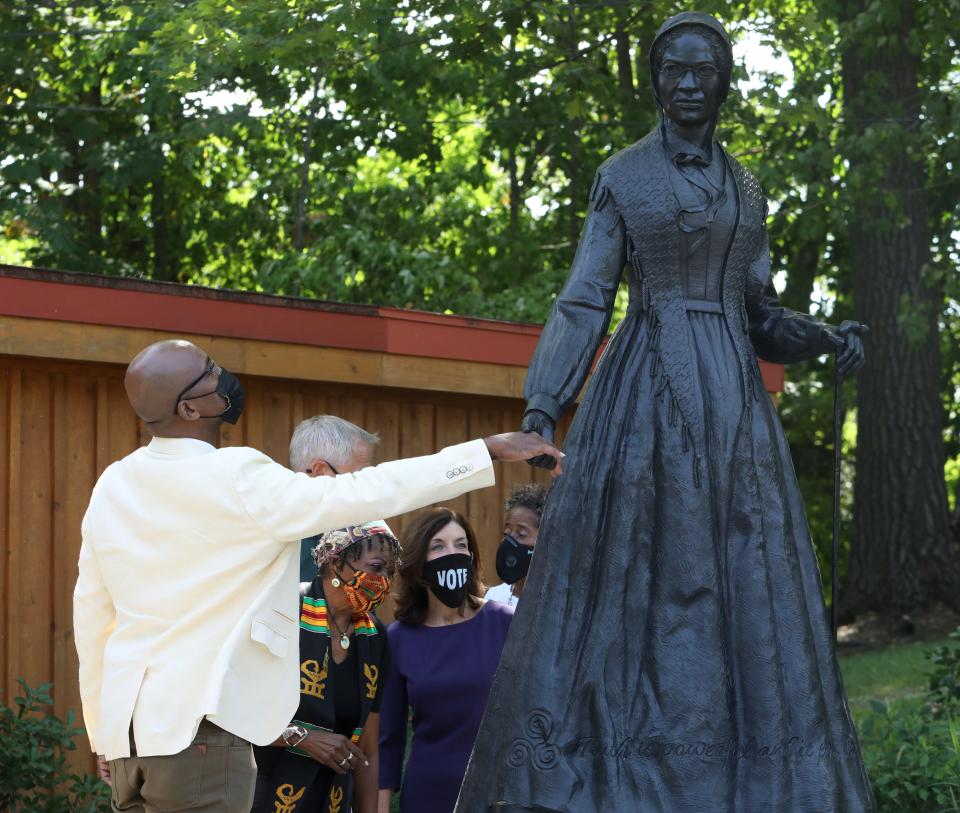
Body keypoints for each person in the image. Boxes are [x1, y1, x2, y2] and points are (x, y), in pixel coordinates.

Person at [456, 13, 873, 813]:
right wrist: (544, 405)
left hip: (737, 409)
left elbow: (760, 314)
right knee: (644, 571)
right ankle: (622, 770)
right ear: (657, 82)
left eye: (701, 72)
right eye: (672, 72)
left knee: (745, 577)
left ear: (723, 83)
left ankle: (748, 772)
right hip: (645, 395)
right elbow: (584, 297)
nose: (686, 85)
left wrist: (824, 338)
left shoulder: (747, 187)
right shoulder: (624, 175)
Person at [72, 339, 561, 813]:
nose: (224, 376)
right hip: (200, 741)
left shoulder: (113, 483)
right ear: (190, 409)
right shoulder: (236, 476)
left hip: (133, 744)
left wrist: (105, 731)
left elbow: (94, 618)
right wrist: (486, 450)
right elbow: (366, 491)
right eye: (210, 373)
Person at [252, 521, 399, 813]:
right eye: (377, 567)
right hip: (264, 793)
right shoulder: (283, 610)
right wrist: (303, 737)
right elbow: (237, 713)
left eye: (390, 572)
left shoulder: (374, 638)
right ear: (335, 562)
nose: (384, 580)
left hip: (332, 801)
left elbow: (367, 751)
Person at [377, 508, 513, 813]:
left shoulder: (506, 624)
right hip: (428, 796)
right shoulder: (398, 639)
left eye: (460, 545)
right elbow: (388, 741)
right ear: (417, 564)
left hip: (500, 795)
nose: (452, 554)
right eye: (438, 546)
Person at [288, 415, 381, 581]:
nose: (366, 486)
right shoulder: (283, 546)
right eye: (359, 477)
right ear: (321, 472)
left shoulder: (355, 534)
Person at [485, 483, 547, 607]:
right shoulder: (493, 598)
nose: (510, 540)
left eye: (522, 534)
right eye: (506, 533)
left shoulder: (557, 603)